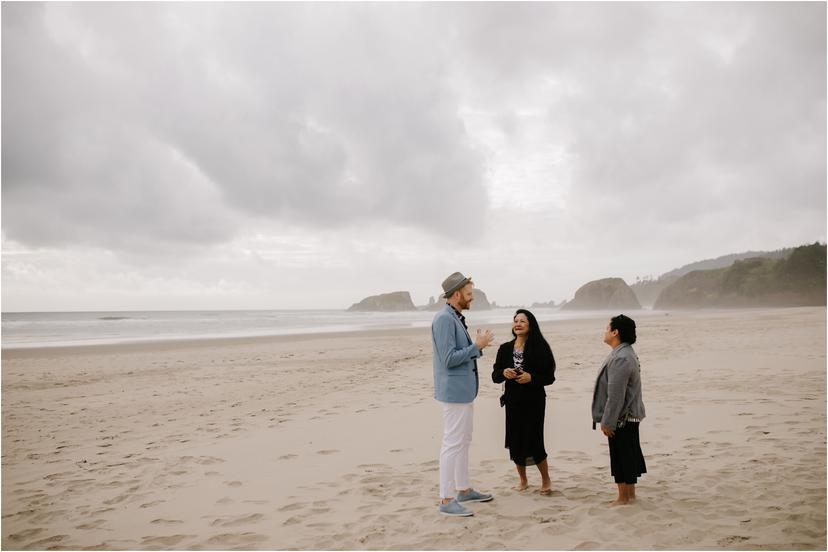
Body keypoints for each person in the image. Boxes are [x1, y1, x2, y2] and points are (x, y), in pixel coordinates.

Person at [432, 271, 496, 517]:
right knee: (452, 443)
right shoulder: (444, 320)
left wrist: (474, 348)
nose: (472, 298)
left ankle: (463, 489)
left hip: (464, 391)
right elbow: (448, 359)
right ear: (456, 294)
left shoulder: (455, 317)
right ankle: (447, 499)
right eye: (469, 294)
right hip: (454, 391)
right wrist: (476, 347)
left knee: (464, 440)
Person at [492, 309, 557, 494]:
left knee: (535, 440)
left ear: (531, 325)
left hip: (534, 401)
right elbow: (495, 375)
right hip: (512, 400)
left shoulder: (540, 347)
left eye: (523, 321)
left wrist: (531, 378)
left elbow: (549, 377)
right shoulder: (505, 348)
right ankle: (523, 480)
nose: (518, 323)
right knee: (515, 440)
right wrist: (503, 373)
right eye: (516, 320)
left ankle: (546, 480)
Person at [591, 314, 647, 507]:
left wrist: (608, 421)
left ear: (616, 332)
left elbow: (616, 395)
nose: (605, 331)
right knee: (628, 454)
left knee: (621, 456)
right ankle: (629, 495)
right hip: (628, 415)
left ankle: (623, 497)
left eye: (607, 328)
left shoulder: (622, 357)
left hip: (623, 417)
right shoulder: (623, 352)